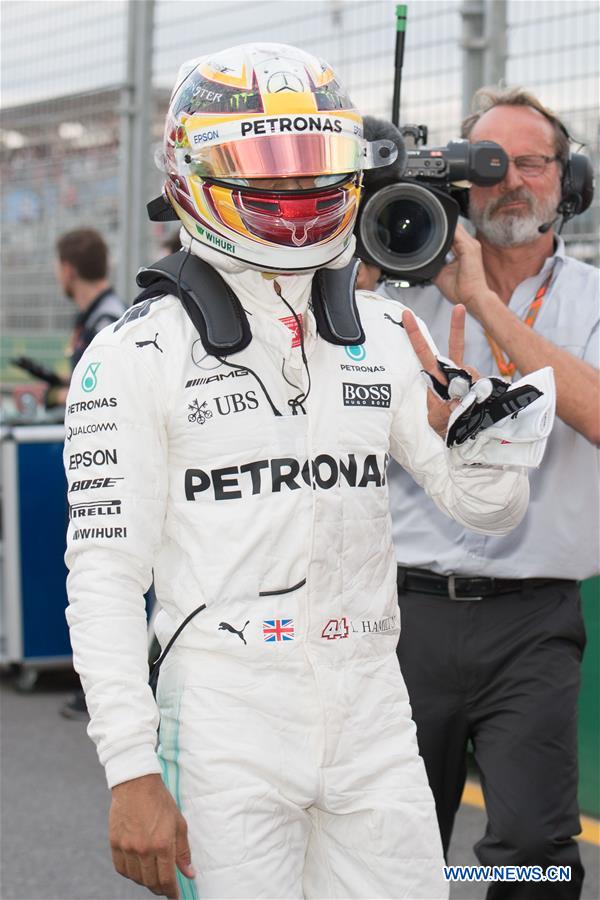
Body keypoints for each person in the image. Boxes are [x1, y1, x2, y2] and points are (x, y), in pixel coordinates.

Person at [63, 48, 550, 900]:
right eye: (265, 169)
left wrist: (489, 435)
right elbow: (103, 574)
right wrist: (130, 768)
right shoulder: (135, 352)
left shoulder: (391, 330)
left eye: (313, 167)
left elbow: (486, 510)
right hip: (222, 714)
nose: (294, 196)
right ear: (192, 170)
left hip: (371, 705)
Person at [381, 86, 599, 899]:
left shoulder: (592, 298)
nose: (511, 182)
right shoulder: (399, 300)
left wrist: (483, 305)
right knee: (388, 852)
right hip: (404, 615)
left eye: (532, 162)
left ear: (568, 180)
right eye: (489, 164)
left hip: (533, 620)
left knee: (535, 857)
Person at [54, 228, 125, 719]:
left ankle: (108, 694)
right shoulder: (101, 315)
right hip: (103, 466)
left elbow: (101, 396)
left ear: (69, 269)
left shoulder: (108, 319)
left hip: (107, 469)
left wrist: (61, 395)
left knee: (104, 576)